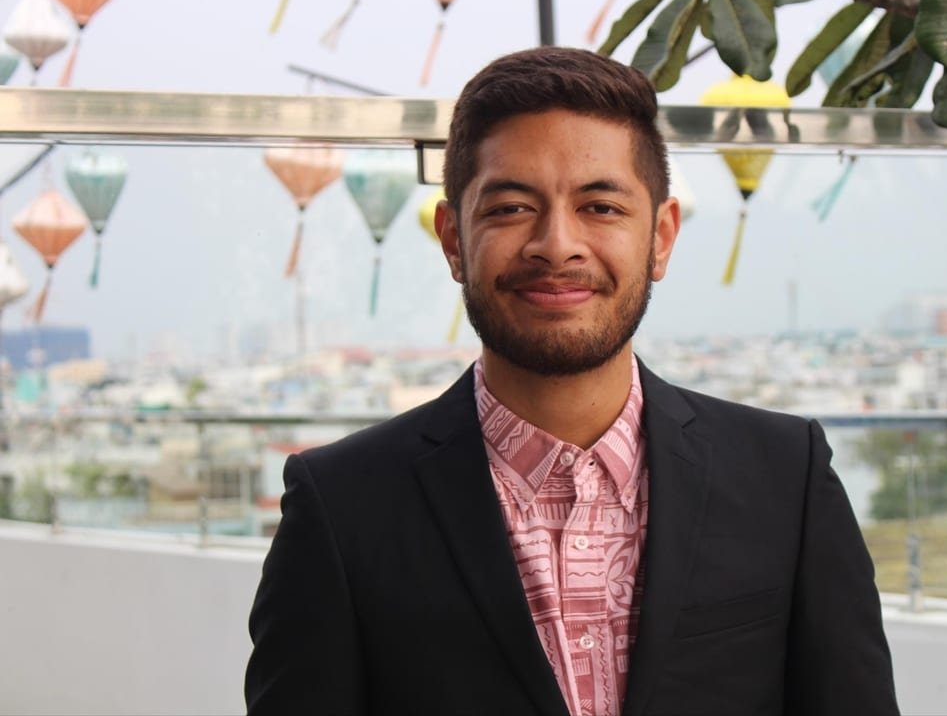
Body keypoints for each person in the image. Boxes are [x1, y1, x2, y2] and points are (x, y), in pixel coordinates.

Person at [245, 46, 900, 716]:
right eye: (510, 208)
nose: (557, 245)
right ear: (453, 240)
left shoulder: (785, 478)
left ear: (661, 237)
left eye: (601, 207)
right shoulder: (342, 506)